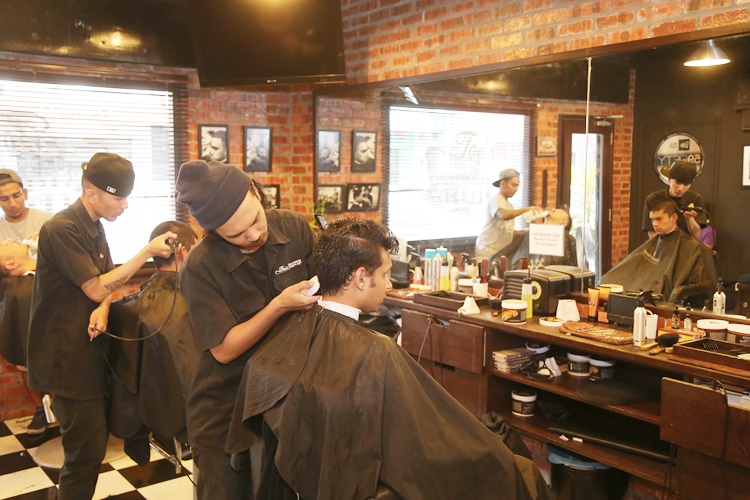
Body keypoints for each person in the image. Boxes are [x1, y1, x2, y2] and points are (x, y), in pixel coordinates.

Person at [226, 218, 551, 499]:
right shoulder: (377, 352)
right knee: (514, 469)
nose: (389, 283)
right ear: (360, 277)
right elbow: (425, 446)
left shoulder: (290, 331)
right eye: (384, 274)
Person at [26, 152, 176, 500]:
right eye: (119, 198)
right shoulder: (62, 228)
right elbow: (95, 287)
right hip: (65, 357)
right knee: (86, 452)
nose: (125, 205)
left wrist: (105, 308)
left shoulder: (94, 226)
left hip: (88, 348)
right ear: (92, 194)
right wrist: (146, 252)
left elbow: (104, 282)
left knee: (91, 447)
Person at [175, 159, 319, 499]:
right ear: (213, 231)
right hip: (227, 407)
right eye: (236, 235)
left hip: (285, 396)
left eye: (255, 220)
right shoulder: (200, 266)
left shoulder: (294, 228)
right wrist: (278, 306)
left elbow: (325, 289)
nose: (253, 235)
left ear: (256, 192)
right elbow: (225, 349)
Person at [107, 220, 201, 466]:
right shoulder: (198, 302)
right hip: (196, 413)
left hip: (151, 409)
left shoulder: (127, 309)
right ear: (183, 252)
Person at [0, 169, 52, 433]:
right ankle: (40, 410)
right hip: (15, 304)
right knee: (24, 360)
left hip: (47, 300)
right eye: (4, 199)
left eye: (16, 195)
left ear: (25, 192)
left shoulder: (48, 221)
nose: (12, 203)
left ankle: (66, 409)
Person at [602, 199, 717, 305]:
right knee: (605, 283)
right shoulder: (655, 242)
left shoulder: (692, 247)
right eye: (652, 220)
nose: (655, 224)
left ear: (674, 218)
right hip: (642, 291)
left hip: (663, 299)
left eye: (659, 219)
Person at [475, 168, 542, 260]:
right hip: (488, 250)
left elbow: (508, 232)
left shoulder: (510, 206)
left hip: (501, 253)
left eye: (517, 186)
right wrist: (527, 209)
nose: (516, 189)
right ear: (503, 183)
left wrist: (529, 231)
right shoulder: (496, 199)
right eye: (513, 185)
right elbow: (503, 215)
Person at [642, 160, 707, 241]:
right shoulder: (654, 199)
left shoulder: (696, 199)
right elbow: (652, 233)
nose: (680, 188)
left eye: (686, 185)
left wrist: (690, 219)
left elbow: (696, 235)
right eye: (677, 183)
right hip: (661, 246)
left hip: (687, 246)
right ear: (669, 179)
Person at [512, 208, 577, 268]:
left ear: (564, 223)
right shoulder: (532, 233)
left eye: (559, 211)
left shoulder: (566, 239)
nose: (553, 209)